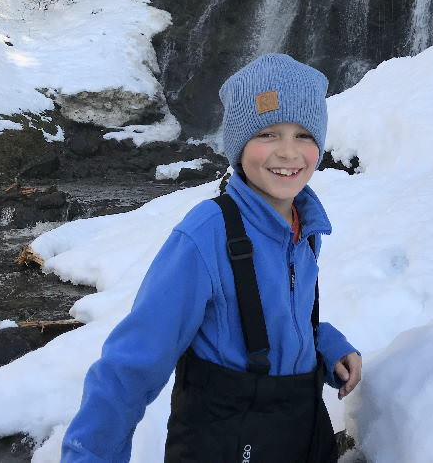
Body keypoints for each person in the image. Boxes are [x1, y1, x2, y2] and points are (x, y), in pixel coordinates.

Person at [61, 53, 362, 462]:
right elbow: (133, 362)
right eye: (268, 134)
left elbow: (282, 312)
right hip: (227, 438)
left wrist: (324, 345)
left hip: (299, 429)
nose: (289, 153)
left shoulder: (304, 225)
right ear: (238, 146)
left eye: (304, 135)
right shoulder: (206, 234)